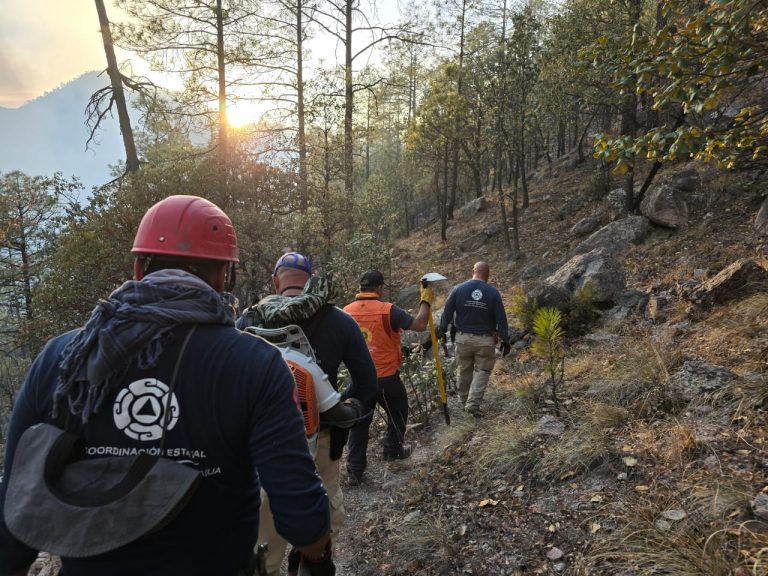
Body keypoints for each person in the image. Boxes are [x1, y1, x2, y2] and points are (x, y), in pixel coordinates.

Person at [0, 196, 333, 576]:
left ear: (138, 266)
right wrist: (318, 559)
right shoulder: (256, 364)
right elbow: (299, 510)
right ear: (224, 274)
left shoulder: (63, 356)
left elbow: (15, 506)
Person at [237, 252, 378, 576]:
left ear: (276, 281)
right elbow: (367, 384)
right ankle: (306, 560)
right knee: (319, 530)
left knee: (262, 544)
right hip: (323, 441)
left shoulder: (247, 321)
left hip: (260, 449)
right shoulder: (339, 320)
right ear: (310, 279)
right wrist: (336, 408)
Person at [343, 270, 433, 485]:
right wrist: (425, 300)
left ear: (361, 288)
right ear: (379, 288)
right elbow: (420, 325)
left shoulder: (345, 312)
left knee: (359, 422)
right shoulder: (387, 310)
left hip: (357, 380)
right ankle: (392, 450)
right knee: (399, 411)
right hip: (386, 379)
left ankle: (354, 470)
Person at [439, 261, 511, 417]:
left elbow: (447, 312)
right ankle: (472, 404)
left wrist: (442, 331)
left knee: (464, 370)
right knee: (483, 371)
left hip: (462, 339)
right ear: (487, 273)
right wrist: (505, 340)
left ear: (473, 271)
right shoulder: (493, 293)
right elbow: (501, 319)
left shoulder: (458, 289)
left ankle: (464, 401)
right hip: (484, 341)